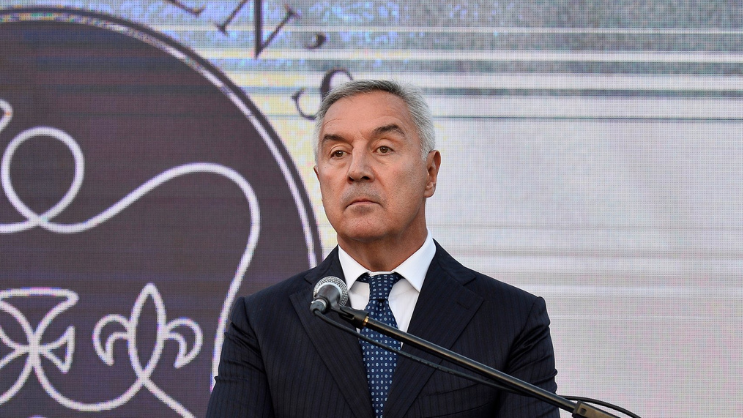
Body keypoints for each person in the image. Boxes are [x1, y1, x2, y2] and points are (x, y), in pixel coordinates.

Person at [206, 80, 559, 417]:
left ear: (430, 172)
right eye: (338, 153)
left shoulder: (511, 320)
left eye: (383, 149)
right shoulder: (262, 322)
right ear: (320, 179)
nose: (357, 170)